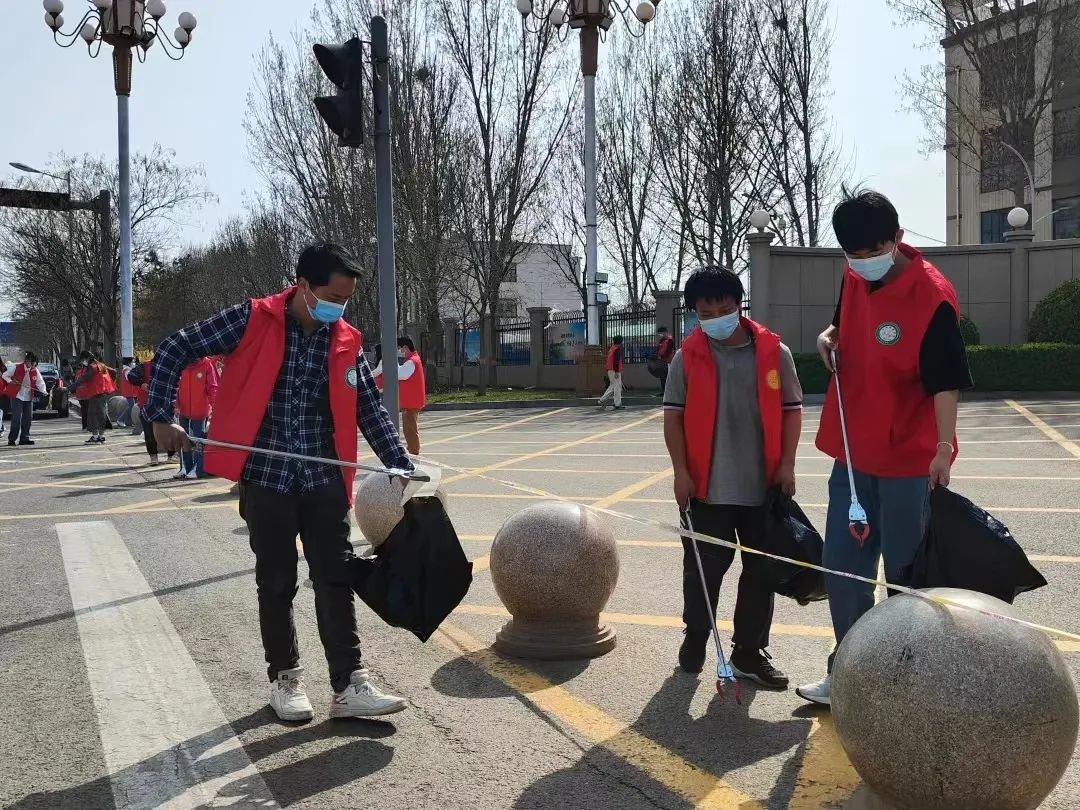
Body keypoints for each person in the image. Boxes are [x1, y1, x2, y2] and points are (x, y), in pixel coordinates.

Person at [147, 242, 413, 722]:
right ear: (304, 286)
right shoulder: (252, 319)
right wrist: (161, 415)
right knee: (276, 580)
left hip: (323, 474)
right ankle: (285, 679)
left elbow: (368, 408)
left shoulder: (345, 339)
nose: (339, 308)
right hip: (266, 476)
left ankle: (349, 684)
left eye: (347, 300)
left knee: (335, 577)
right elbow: (174, 348)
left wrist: (398, 461)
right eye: (333, 297)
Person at [796, 189, 971, 707]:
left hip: (907, 460)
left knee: (904, 576)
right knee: (843, 569)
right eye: (854, 253)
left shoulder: (931, 296)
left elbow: (946, 382)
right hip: (853, 454)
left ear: (897, 238)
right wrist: (827, 337)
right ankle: (850, 674)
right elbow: (841, 324)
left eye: (874, 251)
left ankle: (905, 684)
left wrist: (942, 449)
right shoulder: (853, 275)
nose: (864, 261)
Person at [663, 266, 804, 689]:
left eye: (724, 309)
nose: (716, 319)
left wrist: (787, 465)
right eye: (705, 313)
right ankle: (696, 635)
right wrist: (681, 472)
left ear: (740, 304)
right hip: (706, 489)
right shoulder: (686, 357)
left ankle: (748, 652)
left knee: (761, 572)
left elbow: (791, 412)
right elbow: (673, 418)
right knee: (702, 571)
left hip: (764, 488)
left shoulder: (775, 353)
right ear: (694, 313)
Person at [126, 355, 176, 465]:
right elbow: (131, 376)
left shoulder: (171, 367)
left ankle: (171, 456)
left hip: (165, 404)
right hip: (147, 403)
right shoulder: (144, 366)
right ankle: (153, 457)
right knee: (149, 432)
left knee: (168, 431)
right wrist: (141, 383)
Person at [174, 356, 219, 480]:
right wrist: (176, 405)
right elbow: (175, 385)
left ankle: (198, 468)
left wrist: (215, 407)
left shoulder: (207, 364)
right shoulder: (181, 363)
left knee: (199, 441)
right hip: (183, 410)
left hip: (200, 410)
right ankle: (185, 467)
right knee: (183, 439)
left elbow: (212, 387)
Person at [3, 352, 47, 447]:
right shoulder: (16, 368)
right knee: (16, 418)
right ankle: (12, 439)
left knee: (28, 418)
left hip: (28, 396)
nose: (34, 365)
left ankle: (24, 438)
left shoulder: (35, 370)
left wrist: (44, 391)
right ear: (27, 361)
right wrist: (11, 382)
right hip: (17, 395)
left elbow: (40, 382)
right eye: (33, 363)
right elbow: (5, 375)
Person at [70, 351, 114, 444]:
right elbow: (113, 371)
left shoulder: (92, 367)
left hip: (95, 394)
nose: (83, 362)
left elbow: (83, 379)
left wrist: (69, 388)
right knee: (102, 415)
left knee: (93, 416)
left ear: (87, 358)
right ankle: (101, 437)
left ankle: (95, 437)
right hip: (103, 393)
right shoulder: (101, 365)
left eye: (83, 360)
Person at [395, 336, 426, 455]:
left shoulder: (411, 361)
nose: (399, 351)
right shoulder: (413, 359)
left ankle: (413, 451)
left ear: (405, 347)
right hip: (411, 400)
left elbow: (401, 375)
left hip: (411, 401)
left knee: (410, 429)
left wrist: (394, 364)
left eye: (400, 348)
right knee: (409, 427)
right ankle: (412, 449)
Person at [597, 335, 625, 410]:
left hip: (610, 370)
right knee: (617, 388)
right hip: (615, 371)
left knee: (613, 386)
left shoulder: (611, 349)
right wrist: (617, 371)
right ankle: (617, 404)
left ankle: (602, 400)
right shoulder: (617, 350)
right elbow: (616, 362)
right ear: (620, 342)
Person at [653, 326, 676, 394]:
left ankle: (669, 391)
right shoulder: (661, 340)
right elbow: (658, 349)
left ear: (665, 332)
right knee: (662, 376)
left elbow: (669, 350)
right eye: (659, 334)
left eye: (661, 333)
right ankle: (664, 390)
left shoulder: (670, 340)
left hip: (668, 361)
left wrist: (662, 356)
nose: (660, 335)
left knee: (668, 376)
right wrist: (657, 355)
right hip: (662, 361)